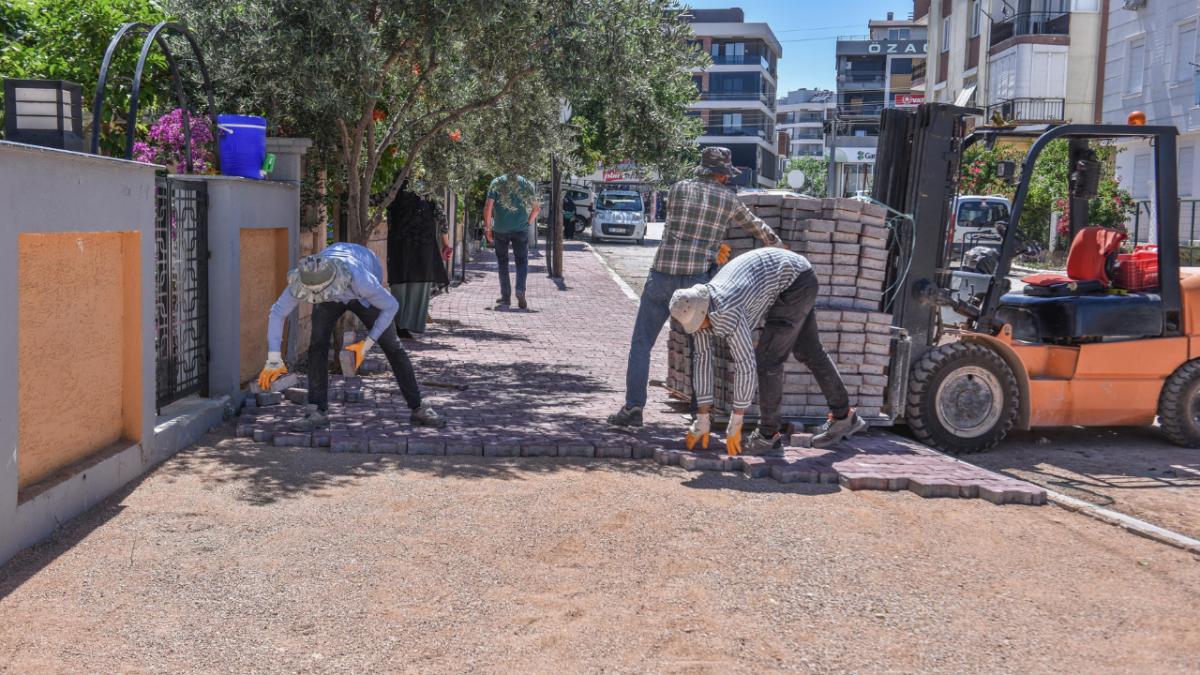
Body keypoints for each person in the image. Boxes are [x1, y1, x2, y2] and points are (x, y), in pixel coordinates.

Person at [607, 146, 782, 428]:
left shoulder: (677, 189)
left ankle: (633, 407)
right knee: (699, 349)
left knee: (641, 344)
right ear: (724, 176)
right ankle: (697, 410)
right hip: (698, 284)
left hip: (662, 275)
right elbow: (758, 228)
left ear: (703, 169)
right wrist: (779, 247)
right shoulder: (729, 200)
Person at [669, 247, 866, 456]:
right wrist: (702, 418)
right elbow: (701, 361)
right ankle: (844, 416)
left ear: (703, 310)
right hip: (791, 276)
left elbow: (745, 365)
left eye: (699, 323)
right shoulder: (701, 309)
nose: (698, 328)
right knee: (809, 350)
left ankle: (768, 436)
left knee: (767, 359)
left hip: (795, 281)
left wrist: (736, 422)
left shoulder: (727, 309)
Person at [257, 243, 447, 432]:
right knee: (317, 347)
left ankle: (418, 407)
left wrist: (366, 344)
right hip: (332, 288)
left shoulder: (363, 282)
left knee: (392, 346)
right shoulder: (307, 278)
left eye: (322, 292)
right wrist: (274, 357)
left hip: (361, 294)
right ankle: (317, 411)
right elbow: (277, 312)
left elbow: (391, 306)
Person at [385, 180, 452, 339]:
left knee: (399, 284)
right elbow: (442, 220)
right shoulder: (428, 194)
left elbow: (374, 201)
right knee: (419, 285)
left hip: (399, 246)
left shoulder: (395, 191)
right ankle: (410, 324)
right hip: (424, 247)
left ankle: (397, 325)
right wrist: (446, 245)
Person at [483, 173, 540, 309]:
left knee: (503, 261)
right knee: (521, 261)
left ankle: (506, 297)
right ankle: (520, 289)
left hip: (501, 229)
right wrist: (528, 223)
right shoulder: (526, 183)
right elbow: (536, 208)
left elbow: (488, 208)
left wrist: (487, 228)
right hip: (520, 229)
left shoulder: (497, 182)